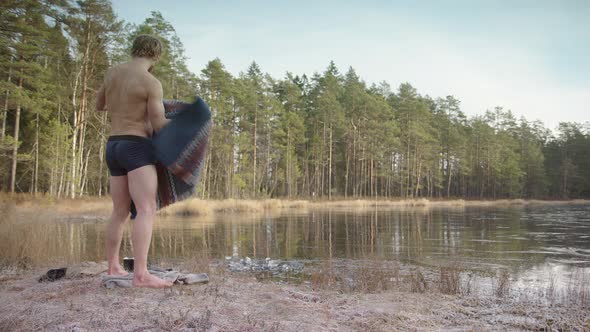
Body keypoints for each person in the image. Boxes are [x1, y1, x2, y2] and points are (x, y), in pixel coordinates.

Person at [96, 34, 172, 288]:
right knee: (146, 208)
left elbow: (99, 105)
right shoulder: (151, 82)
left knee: (119, 211)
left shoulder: (112, 73)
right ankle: (141, 274)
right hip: (136, 147)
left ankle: (113, 266)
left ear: (134, 50)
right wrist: (184, 125)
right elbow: (160, 124)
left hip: (113, 146)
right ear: (156, 56)